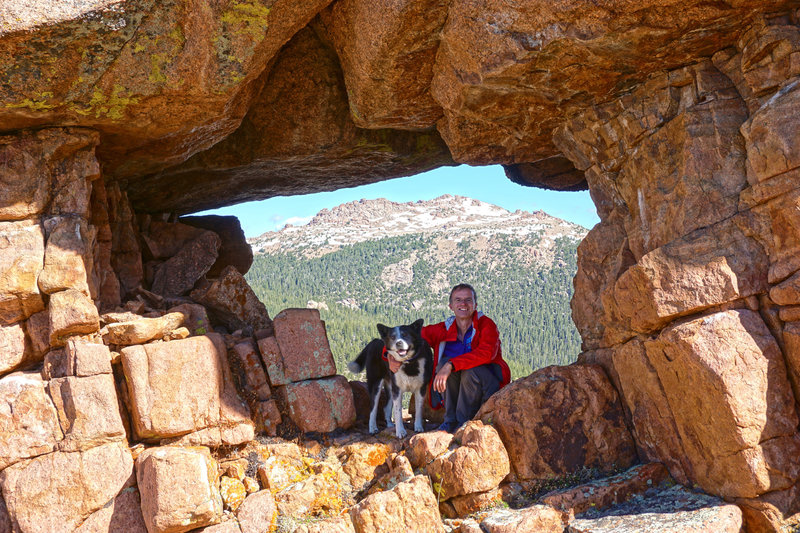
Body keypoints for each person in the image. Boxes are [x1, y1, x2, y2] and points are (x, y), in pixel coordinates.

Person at [388, 283, 511, 432]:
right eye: (458, 300)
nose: (463, 304)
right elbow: (411, 335)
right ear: (451, 306)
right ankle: (449, 421)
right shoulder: (444, 329)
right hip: (460, 390)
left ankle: (462, 423)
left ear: (475, 304)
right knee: (443, 365)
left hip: (486, 387)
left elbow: (486, 353)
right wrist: (389, 354)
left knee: (468, 371)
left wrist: (451, 364)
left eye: (468, 300)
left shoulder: (486, 325)